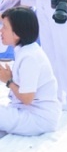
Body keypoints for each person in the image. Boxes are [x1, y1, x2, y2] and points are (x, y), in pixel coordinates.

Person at [0, 8, 57, 136]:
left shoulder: (29, 57)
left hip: (38, 118)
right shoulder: (26, 50)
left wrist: (8, 81)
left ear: (17, 34)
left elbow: (27, 98)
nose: (1, 30)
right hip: (28, 112)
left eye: (5, 27)